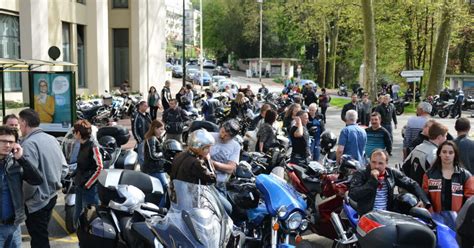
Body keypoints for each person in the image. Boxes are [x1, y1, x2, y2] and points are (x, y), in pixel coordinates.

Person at [19, 109, 68, 248]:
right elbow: (64, 168)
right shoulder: (51, 138)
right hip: (52, 196)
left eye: (19, 122)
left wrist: (21, 198)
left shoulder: (28, 144)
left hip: (36, 202)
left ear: (24, 122)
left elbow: (30, 181)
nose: (19, 127)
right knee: (42, 235)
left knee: (39, 240)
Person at [349, 149, 431, 215]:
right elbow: (353, 194)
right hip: (367, 216)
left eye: (380, 163)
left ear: (386, 164)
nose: (376, 166)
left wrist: (423, 200)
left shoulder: (392, 173)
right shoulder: (361, 174)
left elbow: (412, 184)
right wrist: (372, 181)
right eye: (373, 162)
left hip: (387, 216)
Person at [0, 126, 43, 248]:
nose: (7, 145)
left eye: (11, 142)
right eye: (3, 141)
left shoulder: (15, 163)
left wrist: (21, 159)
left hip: (14, 226)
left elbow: (37, 180)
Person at [422, 141, 474, 213]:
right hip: (436, 218)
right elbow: (425, 197)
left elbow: (470, 199)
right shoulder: (429, 174)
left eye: (450, 153)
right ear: (439, 154)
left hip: (458, 220)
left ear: (455, 155)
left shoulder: (465, 175)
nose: (447, 155)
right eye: (444, 152)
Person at [72, 120, 103, 223]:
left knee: (90, 219)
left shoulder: (93, 147)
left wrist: (88, 184)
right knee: (77, 216)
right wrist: (72, 174)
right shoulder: (81, 144)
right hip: (80, 185)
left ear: (79, 133)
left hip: (89, 189)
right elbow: (81, 165)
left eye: (74, 131)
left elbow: (99, 168)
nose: (73, 133)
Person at [403, 121, 448, 186]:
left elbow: (405, 166)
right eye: (445, 136)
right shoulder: (434, 154)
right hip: (425, 192)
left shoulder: (418, 147)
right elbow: (437, 178)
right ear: (439, 137)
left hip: (414, 188)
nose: (446, 139)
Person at [209, 120, 241, 190]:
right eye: (222, 132)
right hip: (204, 176)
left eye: (227, 135)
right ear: (221, 127)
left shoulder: (236, 146)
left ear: (232, 137)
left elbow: (230, 168)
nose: (222, 136)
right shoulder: (209, 136)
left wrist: (212, 163)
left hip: (219, 183)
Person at [143, 120, 168, 206]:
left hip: (158, 168)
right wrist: (163, 154)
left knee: (157, 190)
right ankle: (160, 209)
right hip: (154, 169)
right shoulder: (152, 139)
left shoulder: (157, 138)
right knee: (164, 188)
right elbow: (152, 155)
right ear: (155, 128)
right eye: (161, 129)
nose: (162, 131)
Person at [132, 101, 152, 166]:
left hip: (149, 139)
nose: (146, 107)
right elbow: (134, 129)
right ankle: (143, 169)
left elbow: (151, 125)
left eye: (147, 106)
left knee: (149, 154)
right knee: (141, 156)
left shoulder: (147, 115)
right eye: (145, 106)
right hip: (142, 139)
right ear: (140, 106)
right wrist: (139, 140)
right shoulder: (136, 116)